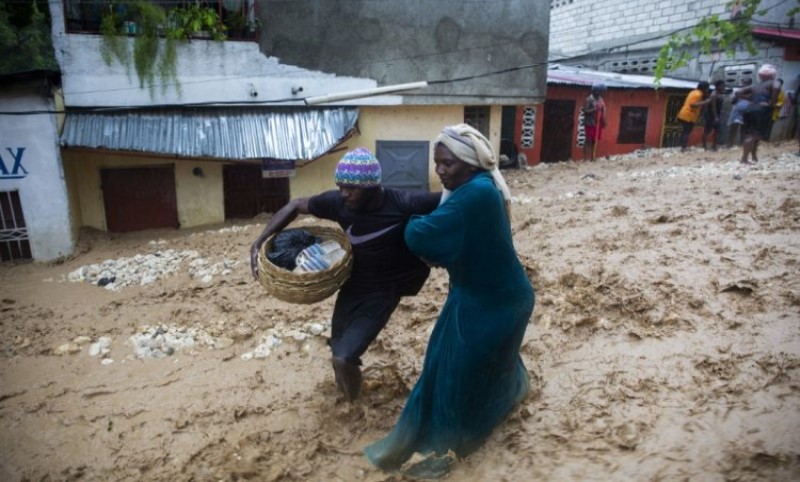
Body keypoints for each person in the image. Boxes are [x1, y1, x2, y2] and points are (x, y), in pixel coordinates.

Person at [364, 124, 535, 478]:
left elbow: (420, 235)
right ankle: (512, 393)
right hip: (480, 295)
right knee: (441, 364)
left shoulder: (476, 195)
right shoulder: (480, 187)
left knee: (457, 378)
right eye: (437, 162)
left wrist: (408, 220)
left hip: (496, 303)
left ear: (470, 163)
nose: (439, 170)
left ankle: (451, 448)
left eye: (447, 164)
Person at [249, 147, 441, 401]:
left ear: (373, 187)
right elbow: (295, 205)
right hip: (352, 286)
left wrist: (437, 248)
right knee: (337, 349)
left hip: (384, 292)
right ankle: (348, 395)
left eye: (351, 189)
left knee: (343, 357)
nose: (344, 194)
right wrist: (259, 242)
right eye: (340, 187)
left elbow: (455, 200)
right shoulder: (339, 204)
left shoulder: (404, 202)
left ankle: (353, 408)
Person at [736, 64, 781, 165]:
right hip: (762, 110)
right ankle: (744, 159)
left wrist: (751, 99)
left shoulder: (755, 85)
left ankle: (753, 156)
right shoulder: (774, 82)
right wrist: (771, 103)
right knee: (753, 135)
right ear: (773, 74)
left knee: (755, 134)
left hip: (750, 109)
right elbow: (777, 87)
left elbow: (738, 92)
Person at [677, 81, 712, 152]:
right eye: (707, 88)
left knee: (685, 131)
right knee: (687, 132)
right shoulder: (698, 94)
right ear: (704, 88)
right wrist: (706, 102)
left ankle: (683, 146)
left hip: (684, 114)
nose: (708, 90)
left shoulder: (693, 92)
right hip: (688, 115)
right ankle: (683, 148)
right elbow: (692, 104)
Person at [582, 82, 607, 161]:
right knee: (588, 140)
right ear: (596, 91)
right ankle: (586, 158)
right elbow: (585, 111)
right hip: (590, 123)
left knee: (594, 140)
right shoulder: (589, 99)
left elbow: (603, 109)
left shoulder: (600, 99)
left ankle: (592, 158)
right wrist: (595, 109)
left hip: (598, 123)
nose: (601, 93)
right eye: (601, 91)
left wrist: (604, 120)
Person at [727, 77, 753, 149]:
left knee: (744, 129)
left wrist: (740, 95)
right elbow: (732, 102)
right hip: (736, 112)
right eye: (744, 83)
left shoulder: (752, 91)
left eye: (746, 83)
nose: (744, 84)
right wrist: (736, 96)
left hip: (746, 113)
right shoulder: (738, 91)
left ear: (750, 84)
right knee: (733, 128)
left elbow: (750, 98)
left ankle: (742, 144)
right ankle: (729, 144)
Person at [702, 80, 727, 151]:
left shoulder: (719, 94)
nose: (724, 87)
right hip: (711, 115)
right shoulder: (714, 95)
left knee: (717, 131)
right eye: (722, 86)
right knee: (707, 131)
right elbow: (713, 107)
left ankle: (714, 146)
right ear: (718, 86)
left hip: (716, 115)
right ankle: (704, 147)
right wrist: (715, 117)